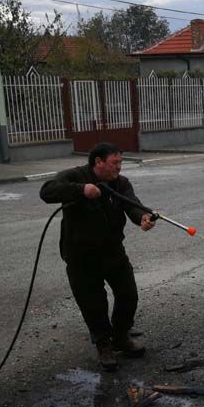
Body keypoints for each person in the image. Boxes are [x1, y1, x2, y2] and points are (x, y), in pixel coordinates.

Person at [39, 142, 156, 371]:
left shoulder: (121, 184)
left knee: (128, 294)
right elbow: (47, 191)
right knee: (93, 303)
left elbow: (133, 206)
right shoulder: (74, 176)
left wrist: (142, 217)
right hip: (81, 256)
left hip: (113, 251)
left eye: (121, 163)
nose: (119, 168)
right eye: (115, 163)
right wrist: (81, 190)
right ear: (98, 162)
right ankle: (104, 345)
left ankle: (121, 337)